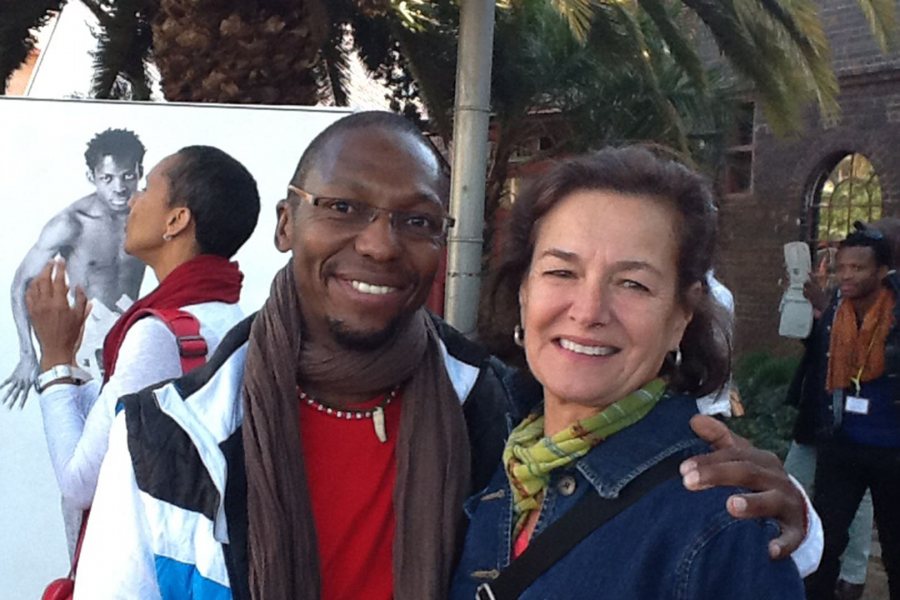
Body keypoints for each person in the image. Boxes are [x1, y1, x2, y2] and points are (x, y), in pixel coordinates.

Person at [76, 112, 819, 600]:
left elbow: (678, 518)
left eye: (416, 219)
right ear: (285, 222)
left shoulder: (493, 410)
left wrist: (793, 520)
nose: (377, 242)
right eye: (343, 207)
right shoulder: (167, 437)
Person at [449, 147, 805, 599]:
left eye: (633, 284)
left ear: (681, 316)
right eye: (561, 271)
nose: (589, 311)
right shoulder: (507, 468)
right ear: (524, 292)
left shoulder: (718, 523)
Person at [27, 146, 260, 544]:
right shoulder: (231, 320)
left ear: (176, 220)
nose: (133, 198)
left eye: (147, 186)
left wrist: (54, 359)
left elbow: (79, 483)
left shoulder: (160, 334)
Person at [2, 128, 149, 409]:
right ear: (91, 177)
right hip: (83, 343)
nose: (119, 188)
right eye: (107, 178)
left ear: (139, 171)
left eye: (127, 176)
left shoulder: (150, 214)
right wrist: (27, 354)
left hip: (131, 337)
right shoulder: (72, 222)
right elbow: (20, 283)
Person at [799, 227, 900, 600]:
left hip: (893, 452)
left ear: (882, 272)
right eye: (843, 268)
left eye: (858, 268)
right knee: (826, 537)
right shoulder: (835, 315)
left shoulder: (896, 314)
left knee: (895, 546)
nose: (847, 276)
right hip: (843, 445)